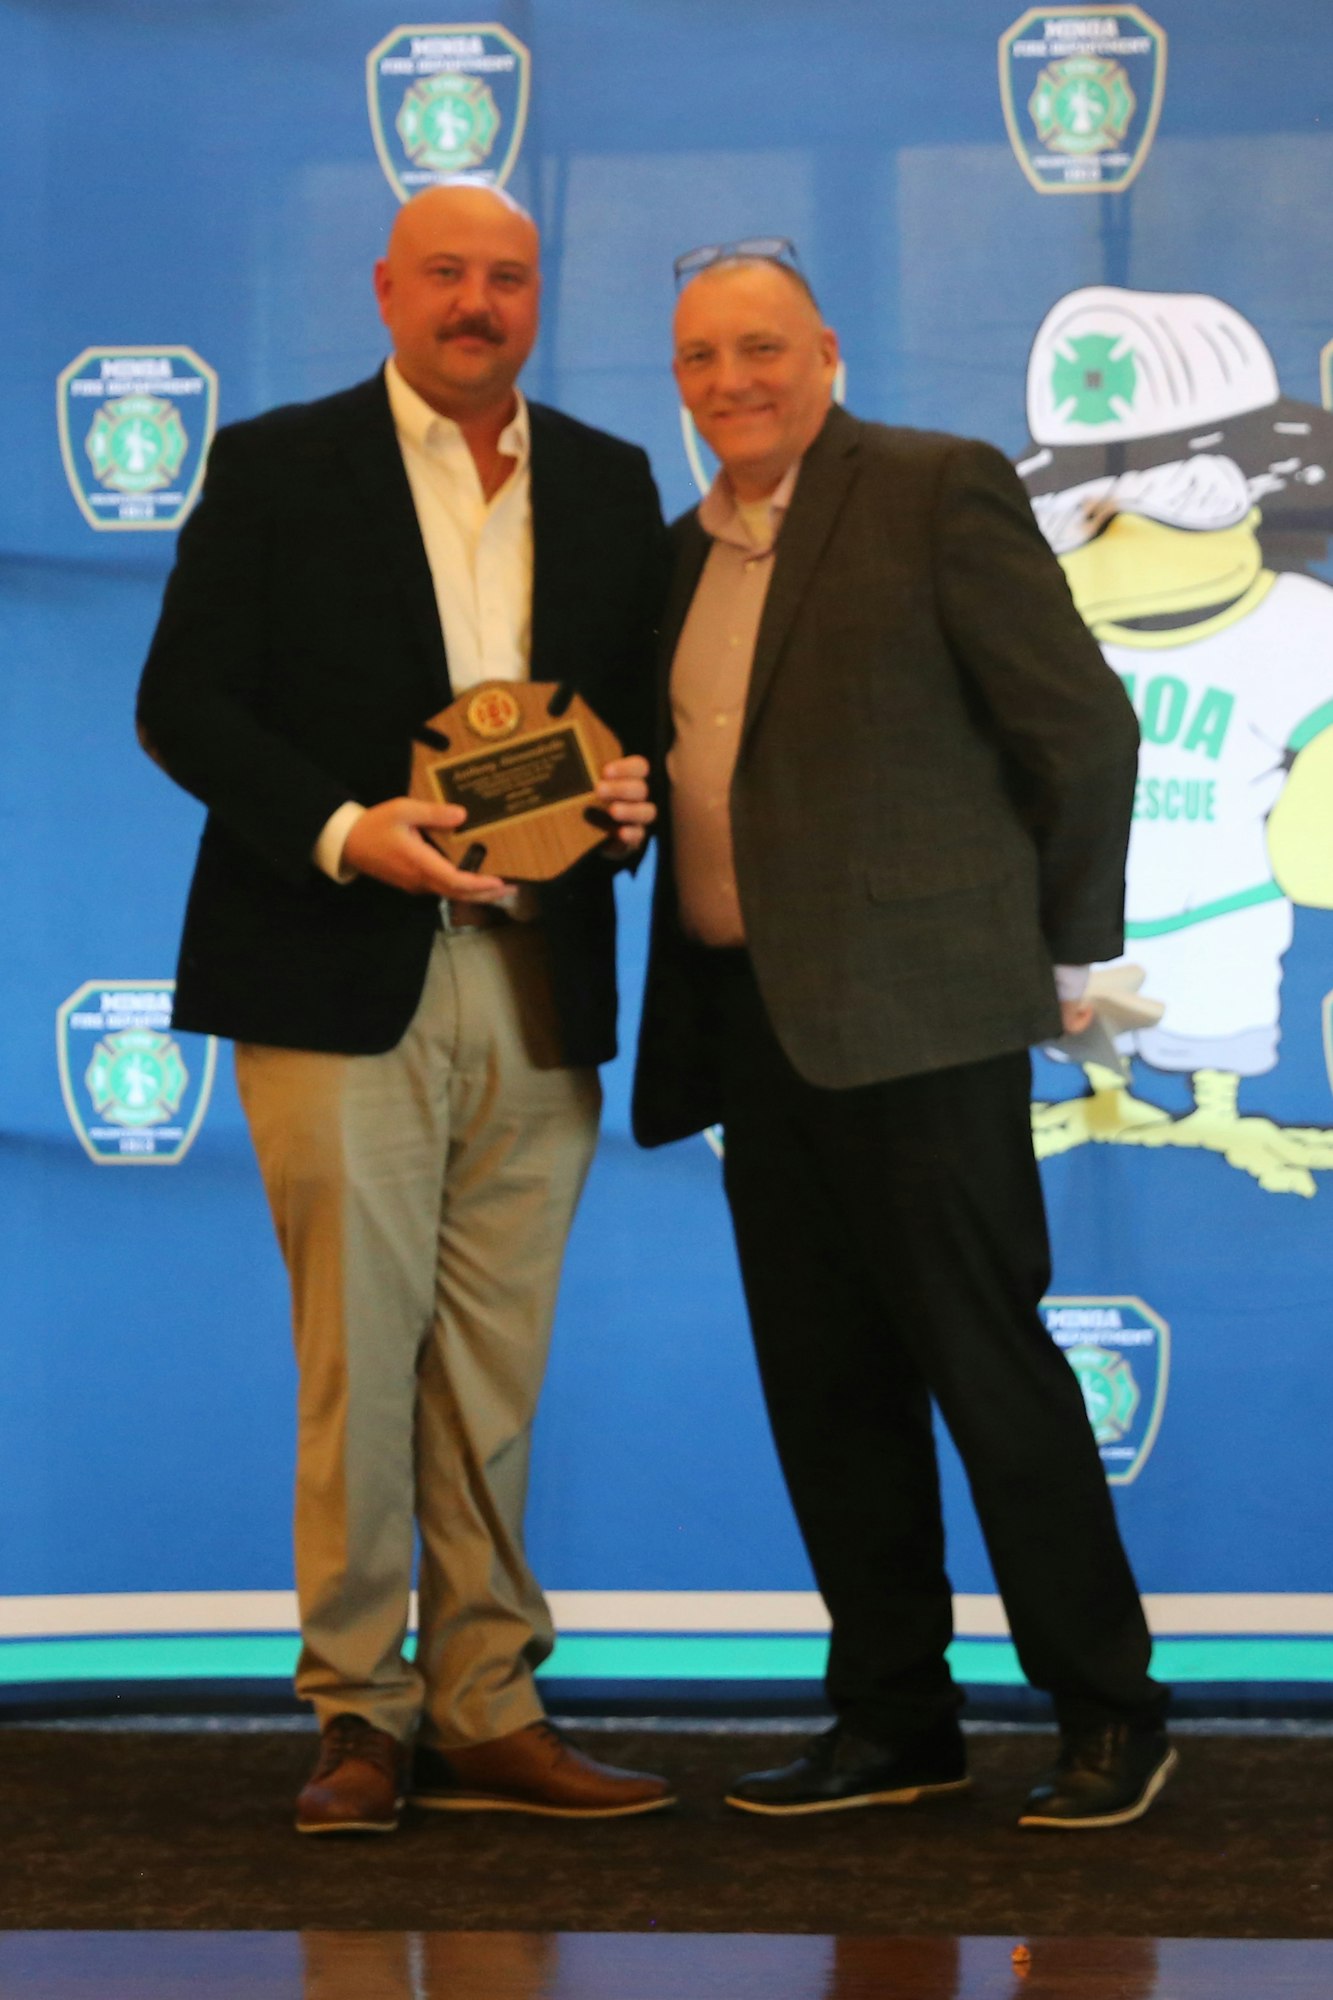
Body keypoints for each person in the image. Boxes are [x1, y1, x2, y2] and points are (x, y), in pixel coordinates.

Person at [137, 182, 673, 1833]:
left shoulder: (606, 476)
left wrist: (630, 797)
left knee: (493, 1370)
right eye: (445, 273)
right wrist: (349, 831)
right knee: (359, 1367)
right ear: (383, 288)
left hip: (536, 971)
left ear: (536, 298)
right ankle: (358, 1718)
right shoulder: (278, 463)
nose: (477, 302)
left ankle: (487, 1705)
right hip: (332, 965)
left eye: (506, 277)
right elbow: (184, 704)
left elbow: (625, 717)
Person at [632, 248, 1173, 1829]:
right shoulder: (678, 556)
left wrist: (1064, 952)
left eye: (760, 348)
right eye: (697, 356)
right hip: (750, 1028)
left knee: (989, 1375)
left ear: (829, 355)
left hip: (925, 1025)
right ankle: (892, 1720)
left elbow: (1079, 728)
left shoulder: (935, 489)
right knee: (824, 1391)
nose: (729, 379)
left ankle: (1109, 1714)